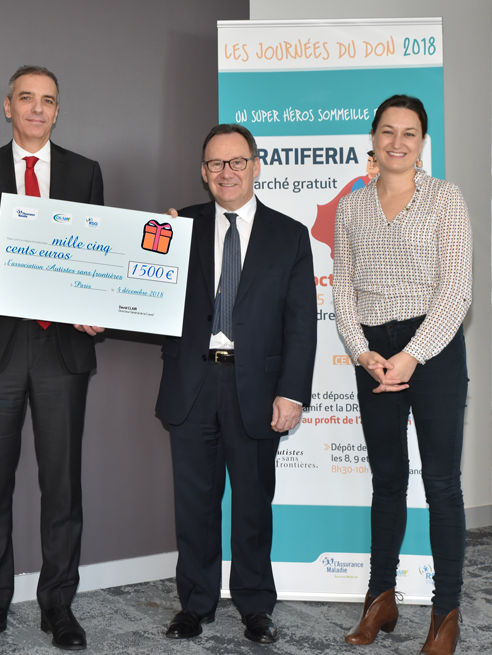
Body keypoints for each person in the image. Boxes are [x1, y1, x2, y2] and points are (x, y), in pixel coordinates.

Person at [0, 65, 104, 651]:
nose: (38, 109)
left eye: (49, 101)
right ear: (7, 106)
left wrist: (99, 305)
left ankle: (59, 605)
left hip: (63, 348)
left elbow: (96, 259)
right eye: (27, 99)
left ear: (58, 111)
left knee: (62, 485)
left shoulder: (85, 172)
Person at [156, 123, 316, 644]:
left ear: (256, 166)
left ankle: (254, 605)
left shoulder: (289, 234)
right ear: (203, 172)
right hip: (192, 382)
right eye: (215, 164)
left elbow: (300, 322)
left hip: (256, 389)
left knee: (252, 504)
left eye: (237, 162)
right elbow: (144, 298)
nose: (226, 172)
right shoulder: (177, 226)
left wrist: (291, 393)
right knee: (194, 505)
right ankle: (195, 605)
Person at [333, 95, 471, 655]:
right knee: (387, 482)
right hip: (374, 354)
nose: (396, 142)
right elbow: (343, 289)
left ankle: (446, 614)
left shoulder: (445, 199)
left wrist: (413, 353)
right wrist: (364, 353)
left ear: (422, 142)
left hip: (432, 349)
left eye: (408, 133)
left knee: (440, 485)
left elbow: (456, 289)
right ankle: (379, 599)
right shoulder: (352, 207)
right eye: (387, 131)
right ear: (373, 138)